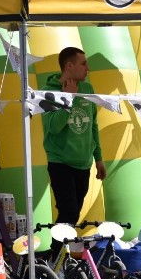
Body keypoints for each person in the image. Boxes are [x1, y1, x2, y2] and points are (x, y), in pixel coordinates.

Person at [42, 46, 106, 255]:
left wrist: (99, 159)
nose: (88, 68)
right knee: (68, 211)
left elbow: (93, 125)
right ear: (69, 65)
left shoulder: (88, 89)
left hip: (83, 163)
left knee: (73, 214)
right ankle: (55, 255)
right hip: (60, 161)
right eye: (83, 63)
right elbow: (53, 127)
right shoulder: (50, 90)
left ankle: (58, 257)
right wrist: (68, 100)